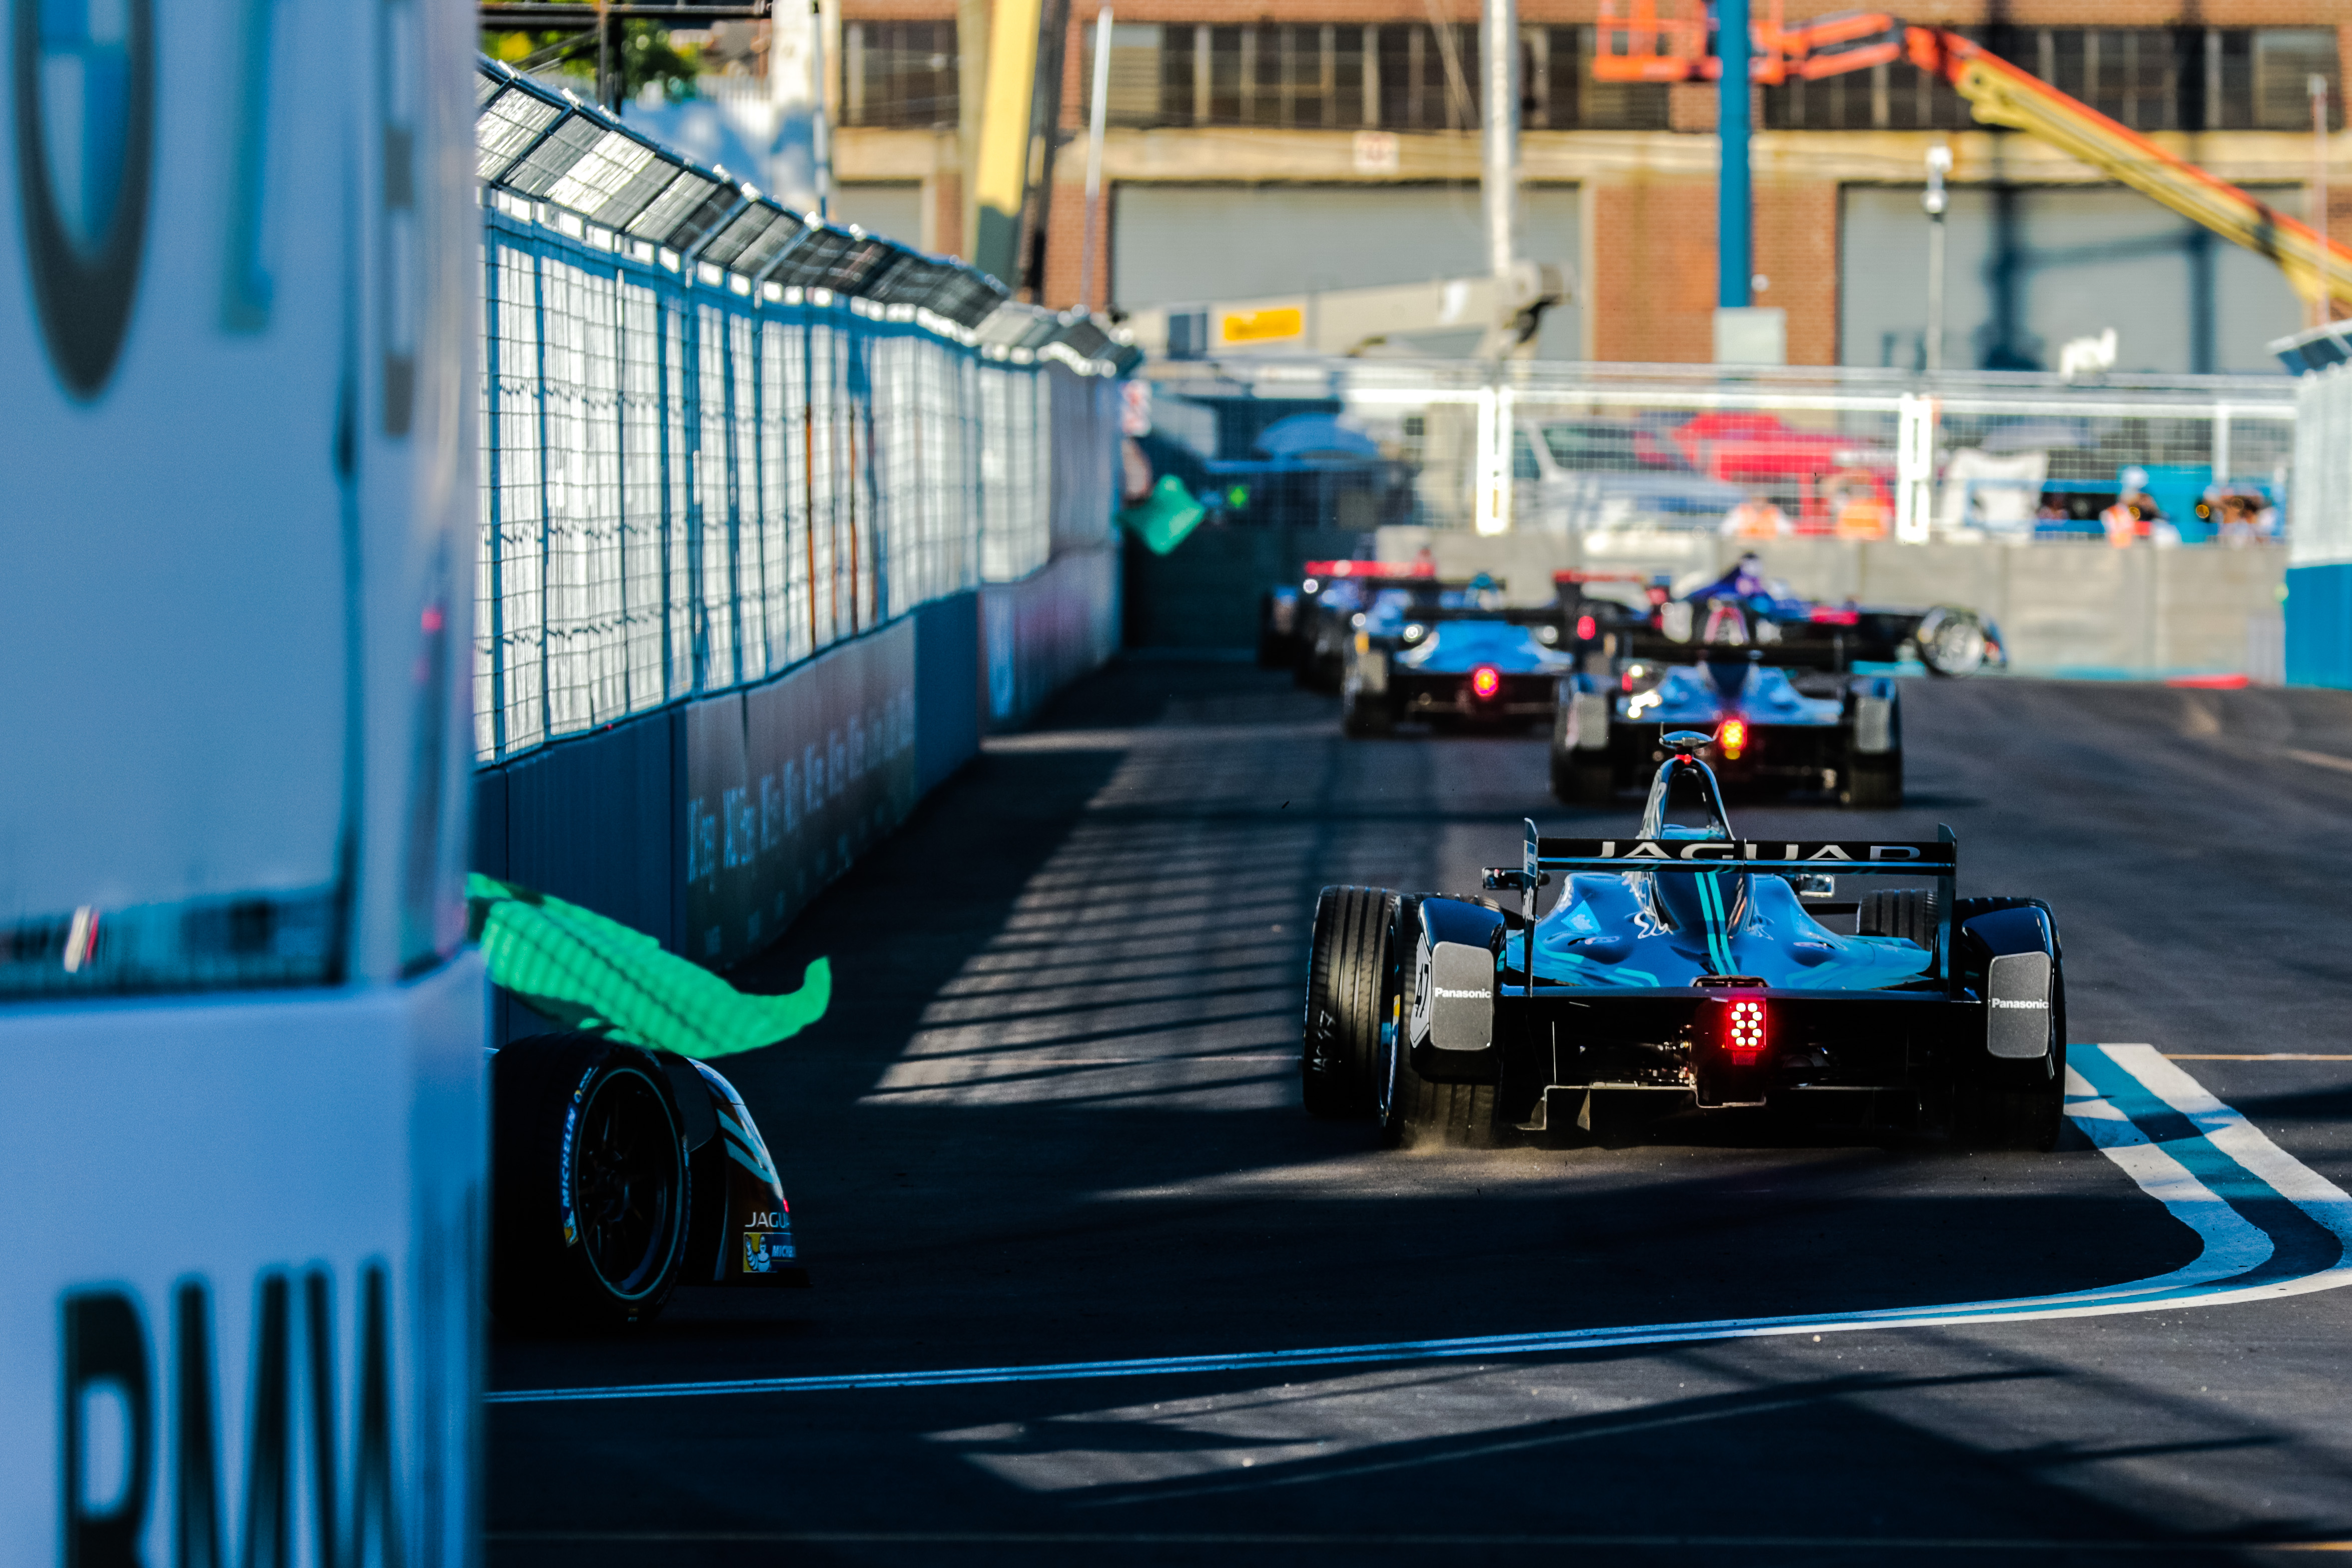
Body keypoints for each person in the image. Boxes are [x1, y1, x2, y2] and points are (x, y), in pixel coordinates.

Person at [1721, 492, 1791, 539]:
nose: (1759, 504)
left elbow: (1787, 531)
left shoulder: (1774, 512)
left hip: (1769, 548)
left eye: (1761, 500)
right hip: (1744, 548)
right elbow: (1725, 530)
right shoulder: (1741, 511)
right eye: (1756, 500)